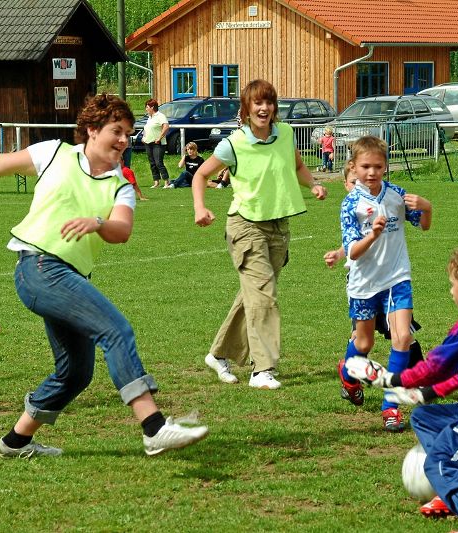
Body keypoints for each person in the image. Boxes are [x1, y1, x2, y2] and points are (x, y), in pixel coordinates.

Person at [0, 93, 208, 457]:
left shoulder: (121, 186)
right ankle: (153, 428)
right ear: (93, 130)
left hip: (70, 279)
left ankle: (15, 442)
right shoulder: (55, 153)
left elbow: (121, 231)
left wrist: (97, 223)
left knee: (76, 373)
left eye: (129, 133)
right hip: (37, 268)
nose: (125, 140)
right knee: (116, 330)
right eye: (117, 131)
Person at [345, 244, 458, 533]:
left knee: (439, 461)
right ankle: (450, 489)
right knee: (424, 417)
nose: (451, 291)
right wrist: (427, 394)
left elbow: (434, 367)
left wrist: (388, 379)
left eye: (452, 285)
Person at [192, 79, 327, 390]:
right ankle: (262, 370)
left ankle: (219, 354)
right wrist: (200, 206)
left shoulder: (286, 133)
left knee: (255, 296)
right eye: (257, 103)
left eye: (269, 102)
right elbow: (200, 174)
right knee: (264, 295)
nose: (264, 108)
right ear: (247, 108)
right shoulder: (233, 144)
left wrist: (314, 184)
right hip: (245, 225)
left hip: (279, 225)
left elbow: (297, 166)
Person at [330, 136, 432, 431]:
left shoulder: (396, 195)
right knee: (364, 343)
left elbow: (423, 225)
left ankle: (391, 408)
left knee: (402, 338)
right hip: (364, 283)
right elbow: (351, 252)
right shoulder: (351, 204)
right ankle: (348, 374)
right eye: (365, 166)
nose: (372, 172)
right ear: (353, 167)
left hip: (397, 277)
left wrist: (427, 207)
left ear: (386, 167)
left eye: (378, 166)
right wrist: (372, 235)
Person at [142, 99, 170, 188]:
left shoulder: (160, 116)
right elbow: (147, 129)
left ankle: (166, 181)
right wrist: (144, 137)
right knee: (152, 163)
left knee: (158, 162)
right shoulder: (149, 118)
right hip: (148, 143)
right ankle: (156, 182)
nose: (146, 109)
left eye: (147, 107)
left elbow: (166, 127)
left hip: (158, 143)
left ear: (152, 107)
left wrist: (159, 137)